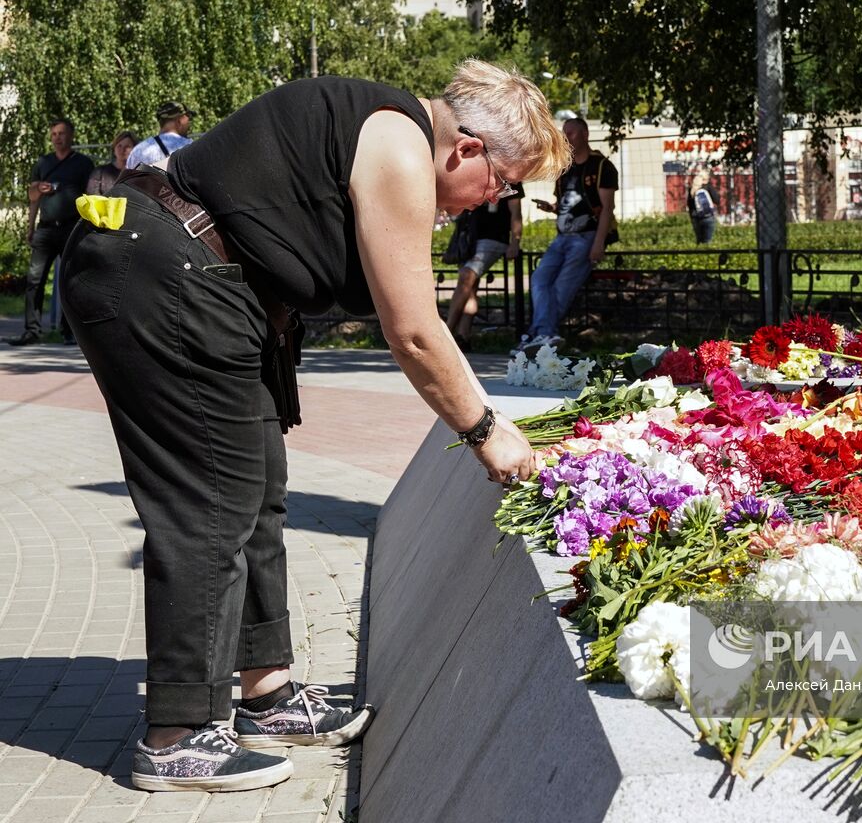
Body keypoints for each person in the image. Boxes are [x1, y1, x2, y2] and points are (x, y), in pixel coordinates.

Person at [59, 63, 568, 793]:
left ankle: (265, 691)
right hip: (164, 277)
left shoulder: (388, 131)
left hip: (199, 283)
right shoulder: (399, 143)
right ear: (469, 149)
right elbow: (415, 331)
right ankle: (176, 735)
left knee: (255, 490)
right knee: (208, 504)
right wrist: (489, 430)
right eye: (505, 182)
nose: (496, 200)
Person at [520, 117, 617, 349]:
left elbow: (607, 209)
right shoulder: (565, 169)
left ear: (585, 135)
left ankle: (538, 335)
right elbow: (567, 205)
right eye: (564, 133)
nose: (566, 138)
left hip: (587, 236)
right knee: (539, 278)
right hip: (562, 236)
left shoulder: (602, 166)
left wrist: (599, 243)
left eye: (571, 133)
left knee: (561, 287)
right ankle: (544, 334)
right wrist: (552, 208)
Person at [8, 118, 94, 347]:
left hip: (72, 228)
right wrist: (30, 227)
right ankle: (32, 331)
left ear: (72, 135)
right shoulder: (43, 162)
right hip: (45, 229)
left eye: (62, 133)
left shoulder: (83, 163)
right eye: (54, 133)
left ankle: (69, 331)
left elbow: (91, 196)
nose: (58, 137)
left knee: (69, 281)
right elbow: (32, 198)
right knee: (34, 281)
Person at [445, 183, 524, 350]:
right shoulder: (479, 170)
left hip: (494, 237)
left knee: (466, 276)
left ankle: (446, 333)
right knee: (470, 288)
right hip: (469, 237)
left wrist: (515, 242)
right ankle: (463, 336)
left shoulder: (511, 177)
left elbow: (516, 212)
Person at [126, 100, 196, 169]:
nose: (189, 123)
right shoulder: (189, 147)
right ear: (181, 120)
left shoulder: (138, 150)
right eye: (188, 118)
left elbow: (127, 178)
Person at [88, 130, 138, 196]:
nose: (122, 149)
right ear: (114, 148)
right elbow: (92, 196)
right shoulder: (100, 172)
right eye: (119, 146)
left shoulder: (139, 174)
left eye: (127, 146)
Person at [686, 170, 717, 244]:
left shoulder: (692, 188)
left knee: (699, 241)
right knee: (707, 241)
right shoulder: (707, 187)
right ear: (705, 179)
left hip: (695, 218)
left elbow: (689, 205)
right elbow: (716, 199)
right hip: (708, 217)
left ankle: (698, 255)